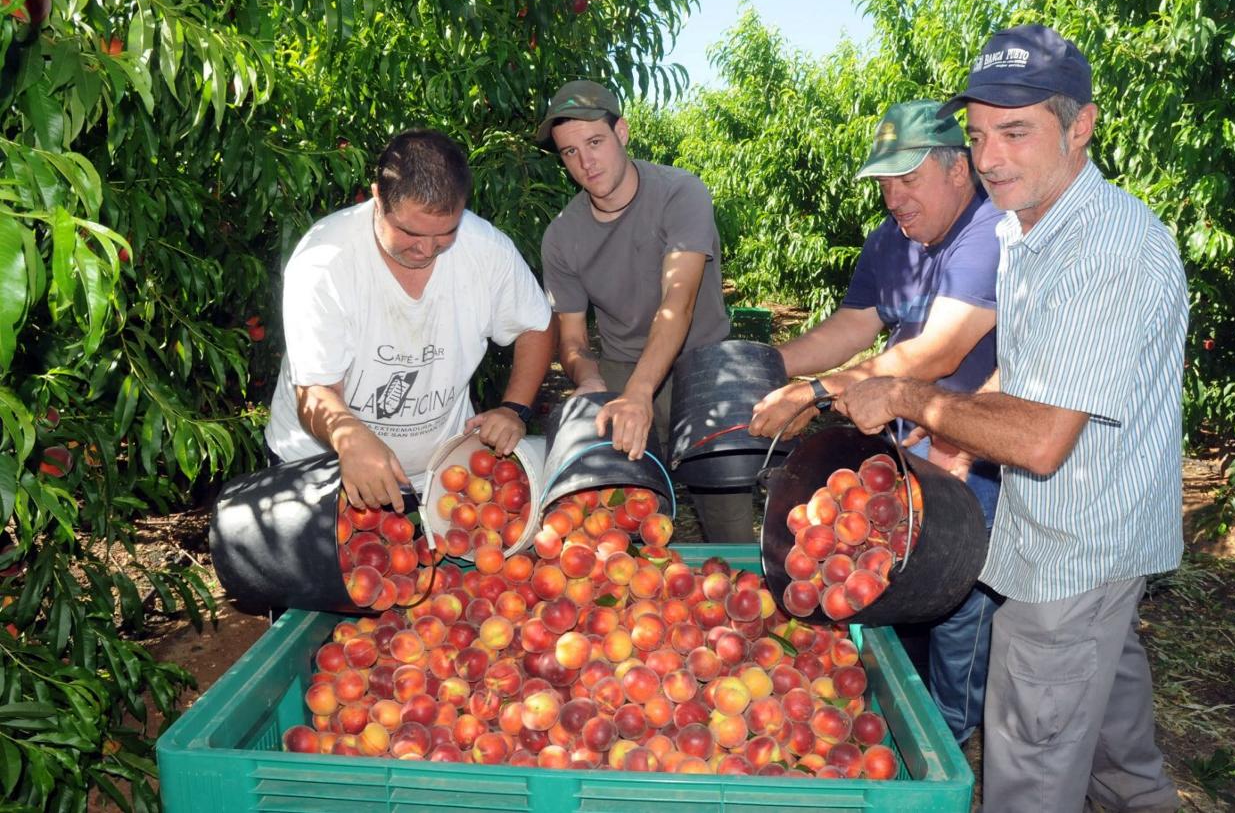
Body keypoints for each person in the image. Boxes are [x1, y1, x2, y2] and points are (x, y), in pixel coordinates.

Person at [836, 25, 1185, 812]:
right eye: (982, 133)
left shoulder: (1104, 249)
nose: (992, 157)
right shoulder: (1029, 230)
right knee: (1115, 754)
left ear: (1081, 125)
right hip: (1086, 543)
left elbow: (1039, 438)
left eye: (1017, 131)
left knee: (1026, 768)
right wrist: (957, 433)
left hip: (1072, 553)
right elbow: (1026, 373)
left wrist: (909, 399)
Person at [749, 99, 1004, 746]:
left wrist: (818, 390)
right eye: (885, 184)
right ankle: (899, 718)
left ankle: (945, 740)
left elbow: (937, 352)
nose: (894, 198)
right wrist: (765, 364)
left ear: (959, 169)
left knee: (959, 598)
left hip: (979, 450)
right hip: (912, 447)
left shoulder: (989, 232)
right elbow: (853, 325)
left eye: (908, 179)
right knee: (886, 573)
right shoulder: (894, 241)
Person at [264, 128, 555, 513]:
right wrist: (349, 435)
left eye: (445, 234)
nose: (425, 249)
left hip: (438, 476)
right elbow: (314, 392)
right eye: (409, 232)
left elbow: (535, 323)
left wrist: (514, 408)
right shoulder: (325, 262)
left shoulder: (486, 252)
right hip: (321, 469)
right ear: (377, 198)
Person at [536, 79, 754, 542]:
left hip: (702, 361)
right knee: (614, 514)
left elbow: (679, 303)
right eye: (570, 152)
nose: (585, 162)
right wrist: (588, 379)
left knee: (726, 509)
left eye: (594, 142)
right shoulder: (561, 237)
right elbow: (572, 340)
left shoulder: (679, 193)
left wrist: (640, 392)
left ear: (622, 133)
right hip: (621, 365)